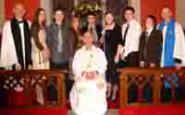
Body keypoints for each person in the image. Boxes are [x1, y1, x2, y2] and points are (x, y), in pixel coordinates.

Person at [70, 28, 107, 115]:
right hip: (83, 77)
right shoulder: (79, 53)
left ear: (92, 38)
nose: (87, 39)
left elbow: (104, 64)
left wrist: (96, 73)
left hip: (96, 76)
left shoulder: (99, 52)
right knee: (83, 86)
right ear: (83, 39)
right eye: (85, 37)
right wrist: (83, 73)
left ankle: (98, 110)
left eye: (89, 37)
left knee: (97, 86)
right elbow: (75, 66)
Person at [158, 7, 185, 102]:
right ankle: (164, 99)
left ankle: (174, 99)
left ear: (171, 14)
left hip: (172, 58)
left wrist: (179, 60)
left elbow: (181, 43)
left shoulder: (176, 26)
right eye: (163, 12)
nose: (165, 14)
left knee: (172, 79)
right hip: (161, 58)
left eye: (167, 12)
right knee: (162, 79)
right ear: (161, 15)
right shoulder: (159, 27)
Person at [0, 3, 32, 70]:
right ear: (13, 11)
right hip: (13, 61)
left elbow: (31, 43)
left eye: (22, 9)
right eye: (17, 9)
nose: (20, 11)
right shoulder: (8, 25)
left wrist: (31, 60)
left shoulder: (29, 24)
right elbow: (4, 45)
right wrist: (6, 62)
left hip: (27, 60)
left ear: (25, 11)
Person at [103, 12, 122, 101]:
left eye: (110, 17)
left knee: (114, 75)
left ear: (113, 17)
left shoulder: (117, 28)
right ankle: (109, 92)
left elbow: (119, 43)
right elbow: (102, 42)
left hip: (114, 54)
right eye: (107, 17)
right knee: (108, 74)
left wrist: (117, 55)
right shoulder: (105, 28)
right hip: (105, 55)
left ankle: (114, 93)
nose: (108, 18)